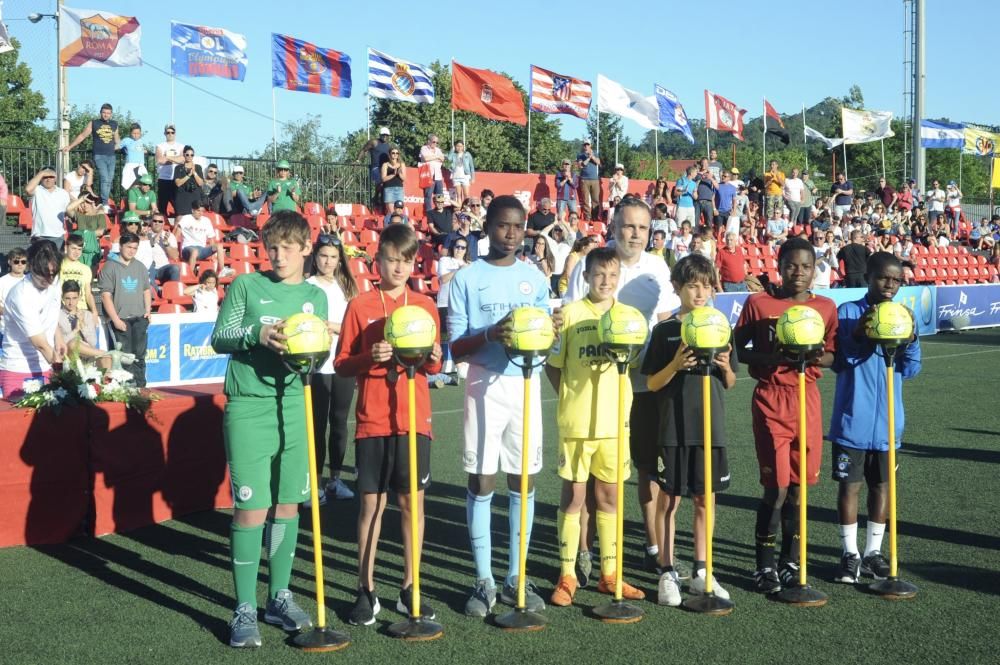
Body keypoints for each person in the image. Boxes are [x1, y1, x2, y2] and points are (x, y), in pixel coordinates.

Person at [210, 210, 327, 648]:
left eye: (287, 248)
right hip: (248, 406)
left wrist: (311, 349)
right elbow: (220, 337)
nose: (277, 255)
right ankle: (243, 608)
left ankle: (279, 597)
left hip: (295, 406)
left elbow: (315, 359)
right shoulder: (246, 285)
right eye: (271, 247)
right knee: (250, 510)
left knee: (288, 507)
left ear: (304, 249)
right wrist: (258, 336)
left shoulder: (317, 296)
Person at [448, 195, 555, 617]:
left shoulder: (536, 279)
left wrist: (552, 332)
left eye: (517, 226)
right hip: (484, 385)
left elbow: (547, 336)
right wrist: (492, 333)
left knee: (524, 481)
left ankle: (515, 575)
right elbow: (454, 346)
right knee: (481, 482)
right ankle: (483, 579)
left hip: (526, 386)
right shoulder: (466, 279)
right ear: (487, 227)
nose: (510, 234)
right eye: (502, 226)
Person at [565, 196, 679, 578]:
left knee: (647, 470)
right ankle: (585, 552)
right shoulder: (592, 263)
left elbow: (664, 320)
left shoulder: (657, 268)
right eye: (628, 226)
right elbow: (570, 320)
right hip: (597, 387)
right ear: (613, 226)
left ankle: (653, 547)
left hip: (644, 386)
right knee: (593, 479)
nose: (635, 233)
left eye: (643, 227)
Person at [334, 224, 442, 626]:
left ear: (415, 263)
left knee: (412, 503)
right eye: (391, 258)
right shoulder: (360, 305)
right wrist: (370, 358)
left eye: (406, 260)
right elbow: (342, 364)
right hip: (373, 419)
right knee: (370, 505)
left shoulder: (424, 304)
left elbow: (436, 365)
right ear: (377, 260)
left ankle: (410, 585)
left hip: (414, 419)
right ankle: (366, 588)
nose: (398, 266)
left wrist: (431, 355)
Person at [733, 236, 837, 594]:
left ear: (814, 271)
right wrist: (776, 358)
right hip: (771, 399)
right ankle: (764, 566)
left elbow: (832, 356)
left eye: (806, 266)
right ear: (779, 266)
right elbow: (738, 351)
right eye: (791, 265)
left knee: (798, 490)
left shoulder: (825, 307)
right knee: (775, 488)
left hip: (807, 398)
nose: (798, 272)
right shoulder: (759, 303)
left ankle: (790, 562)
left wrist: (810, 357)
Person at [546, 247, 645, 606]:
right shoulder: (569, 315)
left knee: (609, 498)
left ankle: (610, 573)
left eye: (612, 275)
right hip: (576, 424)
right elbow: (553, 365)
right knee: (573, 497)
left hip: (615, 425)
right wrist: (571, 396)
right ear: (586, 277)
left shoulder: (629, 318)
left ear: (620, 279)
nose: (606, 281)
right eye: (599, 275)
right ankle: (567, 574)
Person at [643, 254, 738, 605]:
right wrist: (676, 364)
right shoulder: (666, 330)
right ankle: (667, 571)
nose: (700, 293)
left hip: (710, 429)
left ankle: (702, 570)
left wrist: (726, 367)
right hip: (672, 428)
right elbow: (652, 383)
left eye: (706, 286)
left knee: (705, 499)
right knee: (670, 500)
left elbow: (729, 383)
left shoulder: (720, 326)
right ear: (677, 288)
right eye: (692, 286)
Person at [829, 253, 921, 584]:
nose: (890, 285)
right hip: (851, 421)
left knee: (881, 485)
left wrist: (909, 338)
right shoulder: (849, 312)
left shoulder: (902, 315)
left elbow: (911, 368)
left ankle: (873, 553)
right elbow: (841, 361)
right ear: (868, 276)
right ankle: (849, 553)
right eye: (884, 278)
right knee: (849, 487)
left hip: (888, 424)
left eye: (897, 280)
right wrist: (862, 335)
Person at [306, 234, 359, 505]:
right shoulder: (306, 285)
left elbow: (355, 326)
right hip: (316, 365)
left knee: (339, 424)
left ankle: (335, 480)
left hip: (342, 364)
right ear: (315, 257)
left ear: (340, 260)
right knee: (316, 426)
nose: (327, 261)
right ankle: (313, 484)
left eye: (333, 257)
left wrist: (336, 327)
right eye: (323, 255)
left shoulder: (347, 286)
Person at [0, 241, 65, 400]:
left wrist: (59, 337)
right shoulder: (21, 295)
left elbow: (50, 311)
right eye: (43, 274)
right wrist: (60, 369)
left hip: (46, 365)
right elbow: (40, 343)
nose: (49, 279)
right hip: (19, 368)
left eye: (53, 273)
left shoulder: (55, 281)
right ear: (31, 266)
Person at [99, 231, 151, 386]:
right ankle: (126, 386)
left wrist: (148, 310)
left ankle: (141, 386)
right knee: (123, 356)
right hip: (121, 319)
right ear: (121, 246)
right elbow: (105, 296)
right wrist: (115, 319)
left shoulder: (140, 267)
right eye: (129, 247)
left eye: (135, 248)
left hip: (139, 318)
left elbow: (146, 290)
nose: (132, 251)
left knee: (139, 356)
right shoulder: (109, 267)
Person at [63, 102, 119, 205]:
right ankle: (104, 204)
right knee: (105, 178)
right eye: (104, 112)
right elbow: (82, 135)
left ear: (111, 114)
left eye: (108, 113)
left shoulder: (114, 124)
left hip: (111, 156)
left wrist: (117, 147)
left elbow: (117, 140)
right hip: (99, 155)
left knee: (109, 180)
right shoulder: (94, 123)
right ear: (100, 113)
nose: (106, 114)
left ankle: (103, 202)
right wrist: (70, 146)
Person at [176, 200, 228, 278]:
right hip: (187, 248)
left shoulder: (206, 221)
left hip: (202, 249)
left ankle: (221, 270)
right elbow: (177, 235)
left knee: (219, 246)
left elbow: (211, 239)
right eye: (198, 211)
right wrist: (177, 252)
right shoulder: (186, 218)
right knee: (194, 251)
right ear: (193, 210)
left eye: (202, 211)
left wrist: (212, 254)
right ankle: (190, 275)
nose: (200, 213)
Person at [57, 280, 104, 363]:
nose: (71, 303)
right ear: (62, 297)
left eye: (74, 298)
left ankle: (107, 356)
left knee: (106, 360)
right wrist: (75, 330)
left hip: (87, 357)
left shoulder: (87, 315)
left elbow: (93, 342)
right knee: (74, 344)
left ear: (79, 297)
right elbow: (59, 343)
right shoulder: (57, 316)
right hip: (67, 357)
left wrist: (83, 325)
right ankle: (106, 353)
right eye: (68, 298)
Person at [25, 167, 70, 250]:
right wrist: (42, 173)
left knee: (56, 262)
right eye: (45, 177)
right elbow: (28, 190)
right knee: (39, 262)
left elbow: (68, 214)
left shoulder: (63, 193)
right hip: (40, 236)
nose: (48, 179)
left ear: (55, 178)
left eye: (51, 176)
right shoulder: (37, 190)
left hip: (58, 236)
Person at [59, 234, 98, 317]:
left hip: (82, 310)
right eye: (73, 248)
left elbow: (88, 293)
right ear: (66, 248)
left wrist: (94, 312)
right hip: (63, 311)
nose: (76, 252)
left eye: (79, 249)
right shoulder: (58, 266)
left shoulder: (86, 269)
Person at [357, 126, 393, 211]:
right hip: (375, 167)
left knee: (386, 186)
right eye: (383, 135)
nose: (385, 137)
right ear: (380, 135)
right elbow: (363, 150)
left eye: (386, 135)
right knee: (380, 183)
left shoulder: (388, 146)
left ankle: (382, 202)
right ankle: (376, 198)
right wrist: (358, 160)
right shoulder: (374, 142)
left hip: (385, 168)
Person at [155, 124, 184, 215]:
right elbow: (160, 160)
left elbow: (182, 160)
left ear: (175, 133)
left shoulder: (181, 146)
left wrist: (167, 157)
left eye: (172, 132)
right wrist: (175, 159)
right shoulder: (160, 146)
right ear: (164, 133)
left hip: (177, 179)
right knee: (162, 208)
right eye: (168, 132)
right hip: (163, 179)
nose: (170, 134)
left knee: (179, 207)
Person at [145, 214, 181, 286]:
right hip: (148, 268)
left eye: (160, 221)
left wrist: (166, 243)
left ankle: (173, 294)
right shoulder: (145, 235)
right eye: (155, 221)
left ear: (164, 223)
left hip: (163, 269)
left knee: (175, 268)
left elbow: (175, 256)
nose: (157, 223)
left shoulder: (169, 236)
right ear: (151, 222)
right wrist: (153, 241)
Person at [0, 248, 28, 336]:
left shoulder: (31, 281)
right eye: (16, 262)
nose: (20, 264)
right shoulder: (2, 281)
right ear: (9, 262)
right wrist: (12, 313)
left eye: (23, 262)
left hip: (27, 329)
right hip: (6, 329)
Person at [173, 146, 205, 217]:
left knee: (195, 218)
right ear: (184, 155)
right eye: (187, 154)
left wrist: (194, 173)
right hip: (182, 197)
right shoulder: (178, 168)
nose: (189, 156)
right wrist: (188, 175)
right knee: (180, 219)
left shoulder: (198, 167)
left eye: (192, 155)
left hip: (195, 197)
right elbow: (178, 183)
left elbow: (200, 183)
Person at [576, 140, 602, 221]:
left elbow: (598, 162)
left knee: (595, 200)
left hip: (595, 179)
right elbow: (581, 165)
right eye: (585, 145)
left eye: (588, 144)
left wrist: (592, 157)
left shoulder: (595, 152)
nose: (586, 146)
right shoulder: (580, 155)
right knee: (585, 200)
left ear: (590, 145)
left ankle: (594, 218)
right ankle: (587, 218)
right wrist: (588, 158)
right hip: (584, 180)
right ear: (583, 146)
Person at [419, 134, 445, 212]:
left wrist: (432, 157)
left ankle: (439, 211)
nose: (435, 144)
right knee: (428, 195)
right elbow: (426, 158)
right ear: (429, 141)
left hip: (438, 176)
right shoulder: (424, 148)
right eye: (434, 142)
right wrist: (437, 157)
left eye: (437, 142)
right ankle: (429, 213)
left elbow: (442, 159)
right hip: (428, 175)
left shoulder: (438, 150)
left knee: (440, 195)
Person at [118, 123, 148, 190]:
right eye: (134, 133)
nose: (136, 135)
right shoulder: (126, 140)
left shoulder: (140, 141)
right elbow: (118, 146)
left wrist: (144, 151)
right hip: (131, 165)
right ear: (130, 133)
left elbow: (139, 149)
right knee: (132, 184)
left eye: (138, 133)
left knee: (143, 183)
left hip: (141, 165)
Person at [448, 140, 475, 205]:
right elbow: (449, 158)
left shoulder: (467, 154)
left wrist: (473, 177)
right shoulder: (454, 155)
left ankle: (467, 208)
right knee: (458, 195)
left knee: (466, 195)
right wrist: (452, 150)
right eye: (457, 146)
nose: (459, 148)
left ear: (463, 147)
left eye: (461, 146)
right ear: (455, 147)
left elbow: (472, 166)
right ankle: (459, 209)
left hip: (465, 176)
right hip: (456, 176)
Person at [695, 159, 717, 229]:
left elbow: (717, 186)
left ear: (708, 164)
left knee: (709, 222)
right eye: (702, 163)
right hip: (698, 201)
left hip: (708, 202)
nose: (704, 164)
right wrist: (699, 180)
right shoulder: (696, 175)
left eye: (705, 163)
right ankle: (696, 237)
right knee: (696, 222)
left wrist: (711, 178)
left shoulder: (711, 175)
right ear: (700, 164)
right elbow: (693, 187)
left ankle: (709, 237)